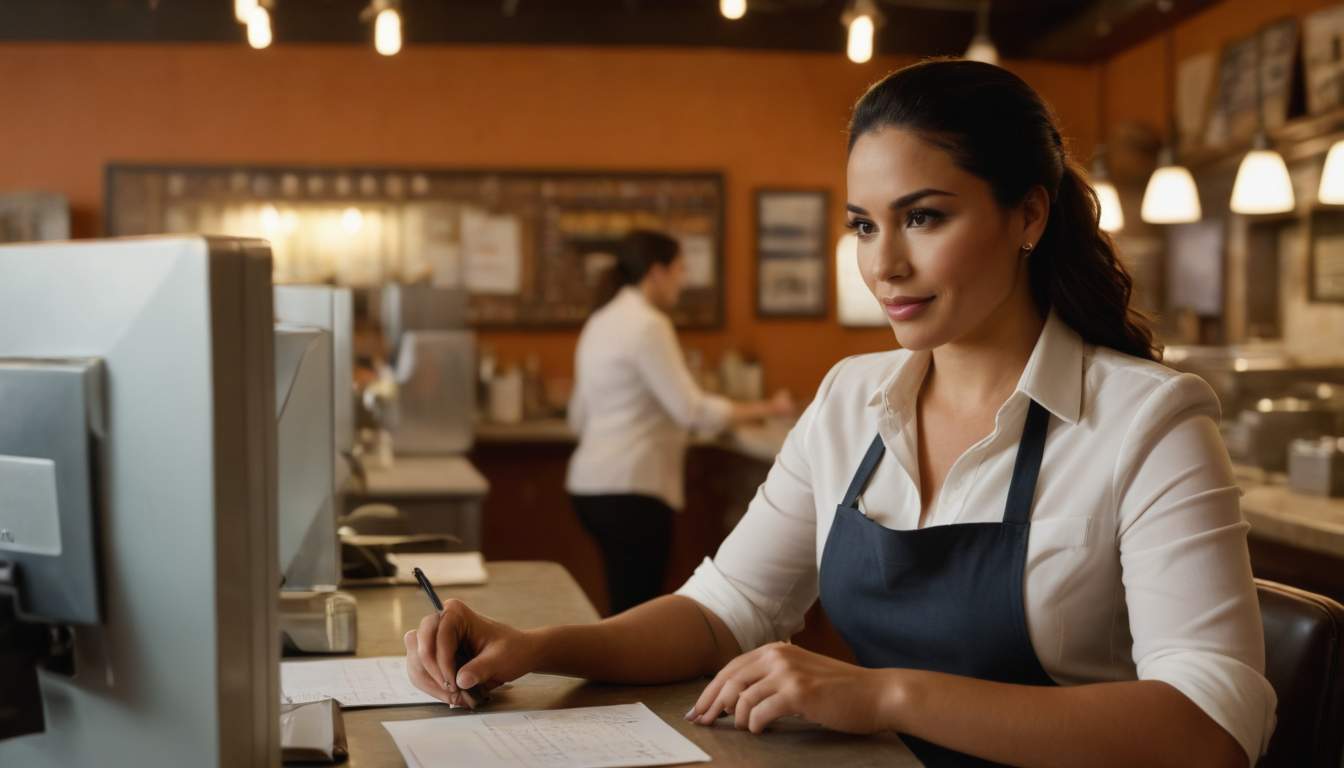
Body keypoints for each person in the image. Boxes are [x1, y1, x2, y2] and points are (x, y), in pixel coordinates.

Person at [404, 60, 1275, 768]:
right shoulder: (850, 399)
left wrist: (883, 693)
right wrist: (536, 646)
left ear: (1029, 215)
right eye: (864, 225)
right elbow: (723, 609)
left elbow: (1208, 729)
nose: (884, 264)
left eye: (923, 218)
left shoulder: (1149, 422)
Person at [566, 230, 794, 615]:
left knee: (624, 611)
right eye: (680, 270)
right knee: (636, 619)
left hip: (589, 488)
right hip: (631, 490)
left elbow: (577, 415)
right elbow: (692, 411)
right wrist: (766, 408)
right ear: (657, 271)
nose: (684, 281)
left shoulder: (601, 319)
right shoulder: (648, 324)